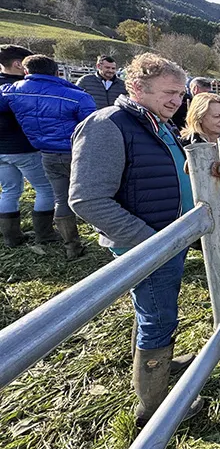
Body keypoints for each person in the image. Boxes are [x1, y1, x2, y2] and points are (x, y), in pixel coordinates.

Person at [69, 53, 203, 427]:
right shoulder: (107, 125)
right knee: (159, 316)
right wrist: (152, 242)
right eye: (169, 92)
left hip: (167, 240)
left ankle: (157, 364)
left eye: (180, 93)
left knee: (155, 311)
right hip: (148, 246)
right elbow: (86, 199)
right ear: (136, 88)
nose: (178, 101)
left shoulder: (157, 124)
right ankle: (153, 406)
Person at [0, 55, 95, 259]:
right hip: (78, 153)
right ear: (56, 72)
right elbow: (93, 127)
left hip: (48, 153)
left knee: (60, 198)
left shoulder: (11, 91)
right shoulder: (77, 96)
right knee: (93, 193)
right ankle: (103, 233)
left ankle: (72, 247)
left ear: (27, 72)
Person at [0, 45, 57, 247]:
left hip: (1, 150)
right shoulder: (24, 88)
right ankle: (45, 233)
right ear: (17, 64)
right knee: (45, 189)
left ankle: (11, 238)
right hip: (23, 147)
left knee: (9, 191)